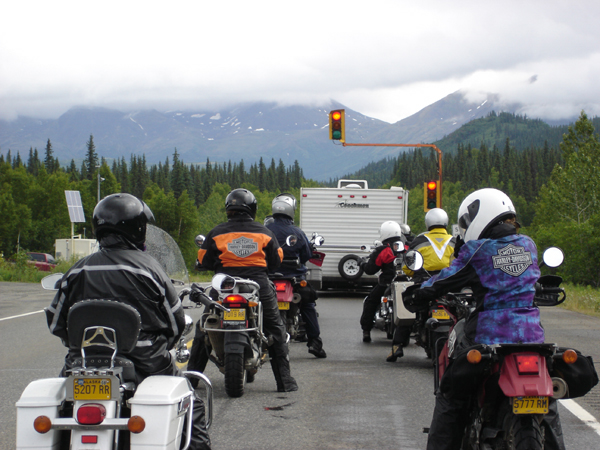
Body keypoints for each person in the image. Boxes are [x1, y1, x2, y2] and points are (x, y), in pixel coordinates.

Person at [45, 193, 211, 450]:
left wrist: (77, 344)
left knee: (60, 406)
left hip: (81, 363)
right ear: (138, 229)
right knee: (192, 402)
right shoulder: (149, 269)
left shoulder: (78, 270)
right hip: (145, 362)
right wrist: (162, 342)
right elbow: (175, 322)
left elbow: (56, 322)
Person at [401, 188, 564, 450]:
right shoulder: (529, 244)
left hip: (488, 335)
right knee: (549, 404)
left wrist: (418, 293)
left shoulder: (477, 251)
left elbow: (445, 278)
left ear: (478, 216)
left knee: (451, 396)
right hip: (532, 335)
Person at [188, 188, 298, 392]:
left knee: (204, 328)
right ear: (253, 209)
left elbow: (204, 259)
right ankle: (285, 382)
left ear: (228, 209)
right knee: (275, 330)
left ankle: (191, 381)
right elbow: (276, 260)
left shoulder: (217, 232)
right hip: (257, 284)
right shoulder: (265, 232)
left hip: (224, 285)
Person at [387, 208, 456, 361]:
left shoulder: (419, 240)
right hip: (450, 285)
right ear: (445, 222)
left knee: (408, 309)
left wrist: (409, 272)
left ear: (428, 223)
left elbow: (408, 266)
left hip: (425, 283)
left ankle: (396, 347)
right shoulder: (454, 240)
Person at [265, 193, 327, 358]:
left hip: (269, 278)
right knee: (308, 305)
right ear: (291, 210)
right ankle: (314, 342)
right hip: (294, 279)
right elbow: (306, 255)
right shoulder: (297, 232)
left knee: (257, 306)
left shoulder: (264, 230)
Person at [359, 221, 405, 343]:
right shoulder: (407, 247)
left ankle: (366, 331)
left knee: (370, 302)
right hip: (406, 283)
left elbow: (371, 269)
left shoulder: (384, 250)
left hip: (387, 283)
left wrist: (362, 264)